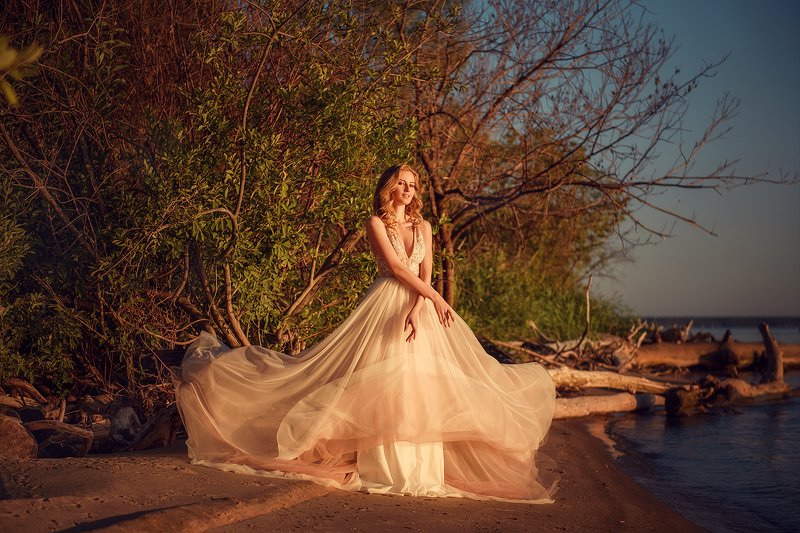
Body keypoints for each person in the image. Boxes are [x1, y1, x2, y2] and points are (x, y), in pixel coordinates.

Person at [174, 164, 558, 503]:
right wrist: (435, 298)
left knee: (421, 387)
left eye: (413, 185)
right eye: (402, 183)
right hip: (385, 306)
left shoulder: (423, 225)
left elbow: (425, 275)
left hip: (416, 309)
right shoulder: (376, 223)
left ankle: (420, 473)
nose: (408, 190)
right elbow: (396, 268)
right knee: (382, 385)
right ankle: (384, 469)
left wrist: (421, 306)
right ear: (389, 187)